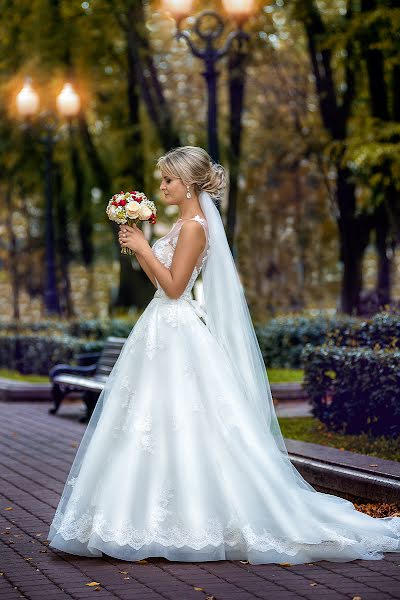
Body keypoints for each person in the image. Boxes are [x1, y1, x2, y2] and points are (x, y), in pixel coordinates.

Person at [47, 146, 400, 564]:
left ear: (190, 183)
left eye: (168, 180)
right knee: (148, 419)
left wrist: (143, 248)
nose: (161, 186)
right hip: (160, 326)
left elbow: (176, 287)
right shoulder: (182, 223)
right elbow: (163, 285)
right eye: (162, 180)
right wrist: (140, 246)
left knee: (183, 419)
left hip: (176, 329)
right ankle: (137, 515)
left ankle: (189, 520)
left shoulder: (195, 227)